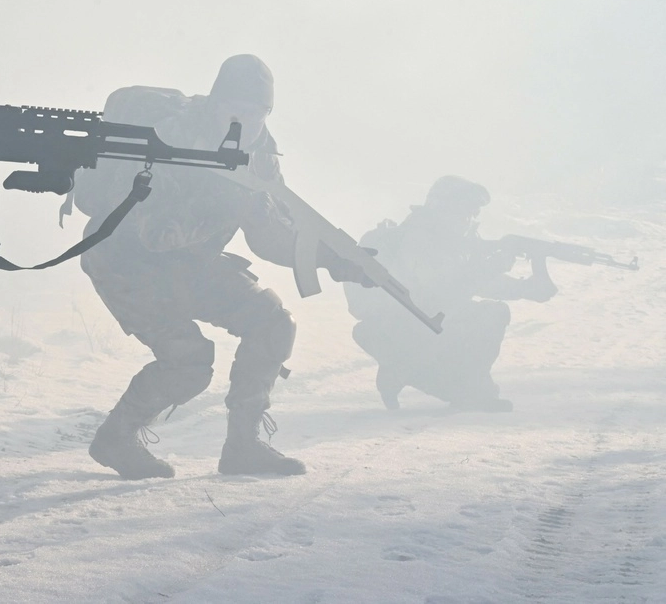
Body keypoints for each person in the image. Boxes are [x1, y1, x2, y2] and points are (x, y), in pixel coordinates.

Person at [75, 54, 360, 480]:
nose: (247, 123)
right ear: (215, 102)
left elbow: (267, 235)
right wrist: (227, 199)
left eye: (258, 113)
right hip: (126, 263)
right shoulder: (170, 140)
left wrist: (331, 258)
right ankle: (116, 438)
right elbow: (155, 234)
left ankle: (243, 448)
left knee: (272, 321)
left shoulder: (259, 153)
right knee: (189, 362)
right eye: (238, 110)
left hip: (191, 264)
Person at [344, 176, 557, 412]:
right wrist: (492, 266)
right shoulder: (420, 238)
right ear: (443, 207)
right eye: (465, 211)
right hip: (397, 327)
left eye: (473, 213)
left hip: (415, 324)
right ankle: (413, 371)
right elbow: (438, 290)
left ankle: (443, 381)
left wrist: (524, 288)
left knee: (483, 318)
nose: (469, 218)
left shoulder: (446, 238)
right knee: (490, 316)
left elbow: (471, 285)